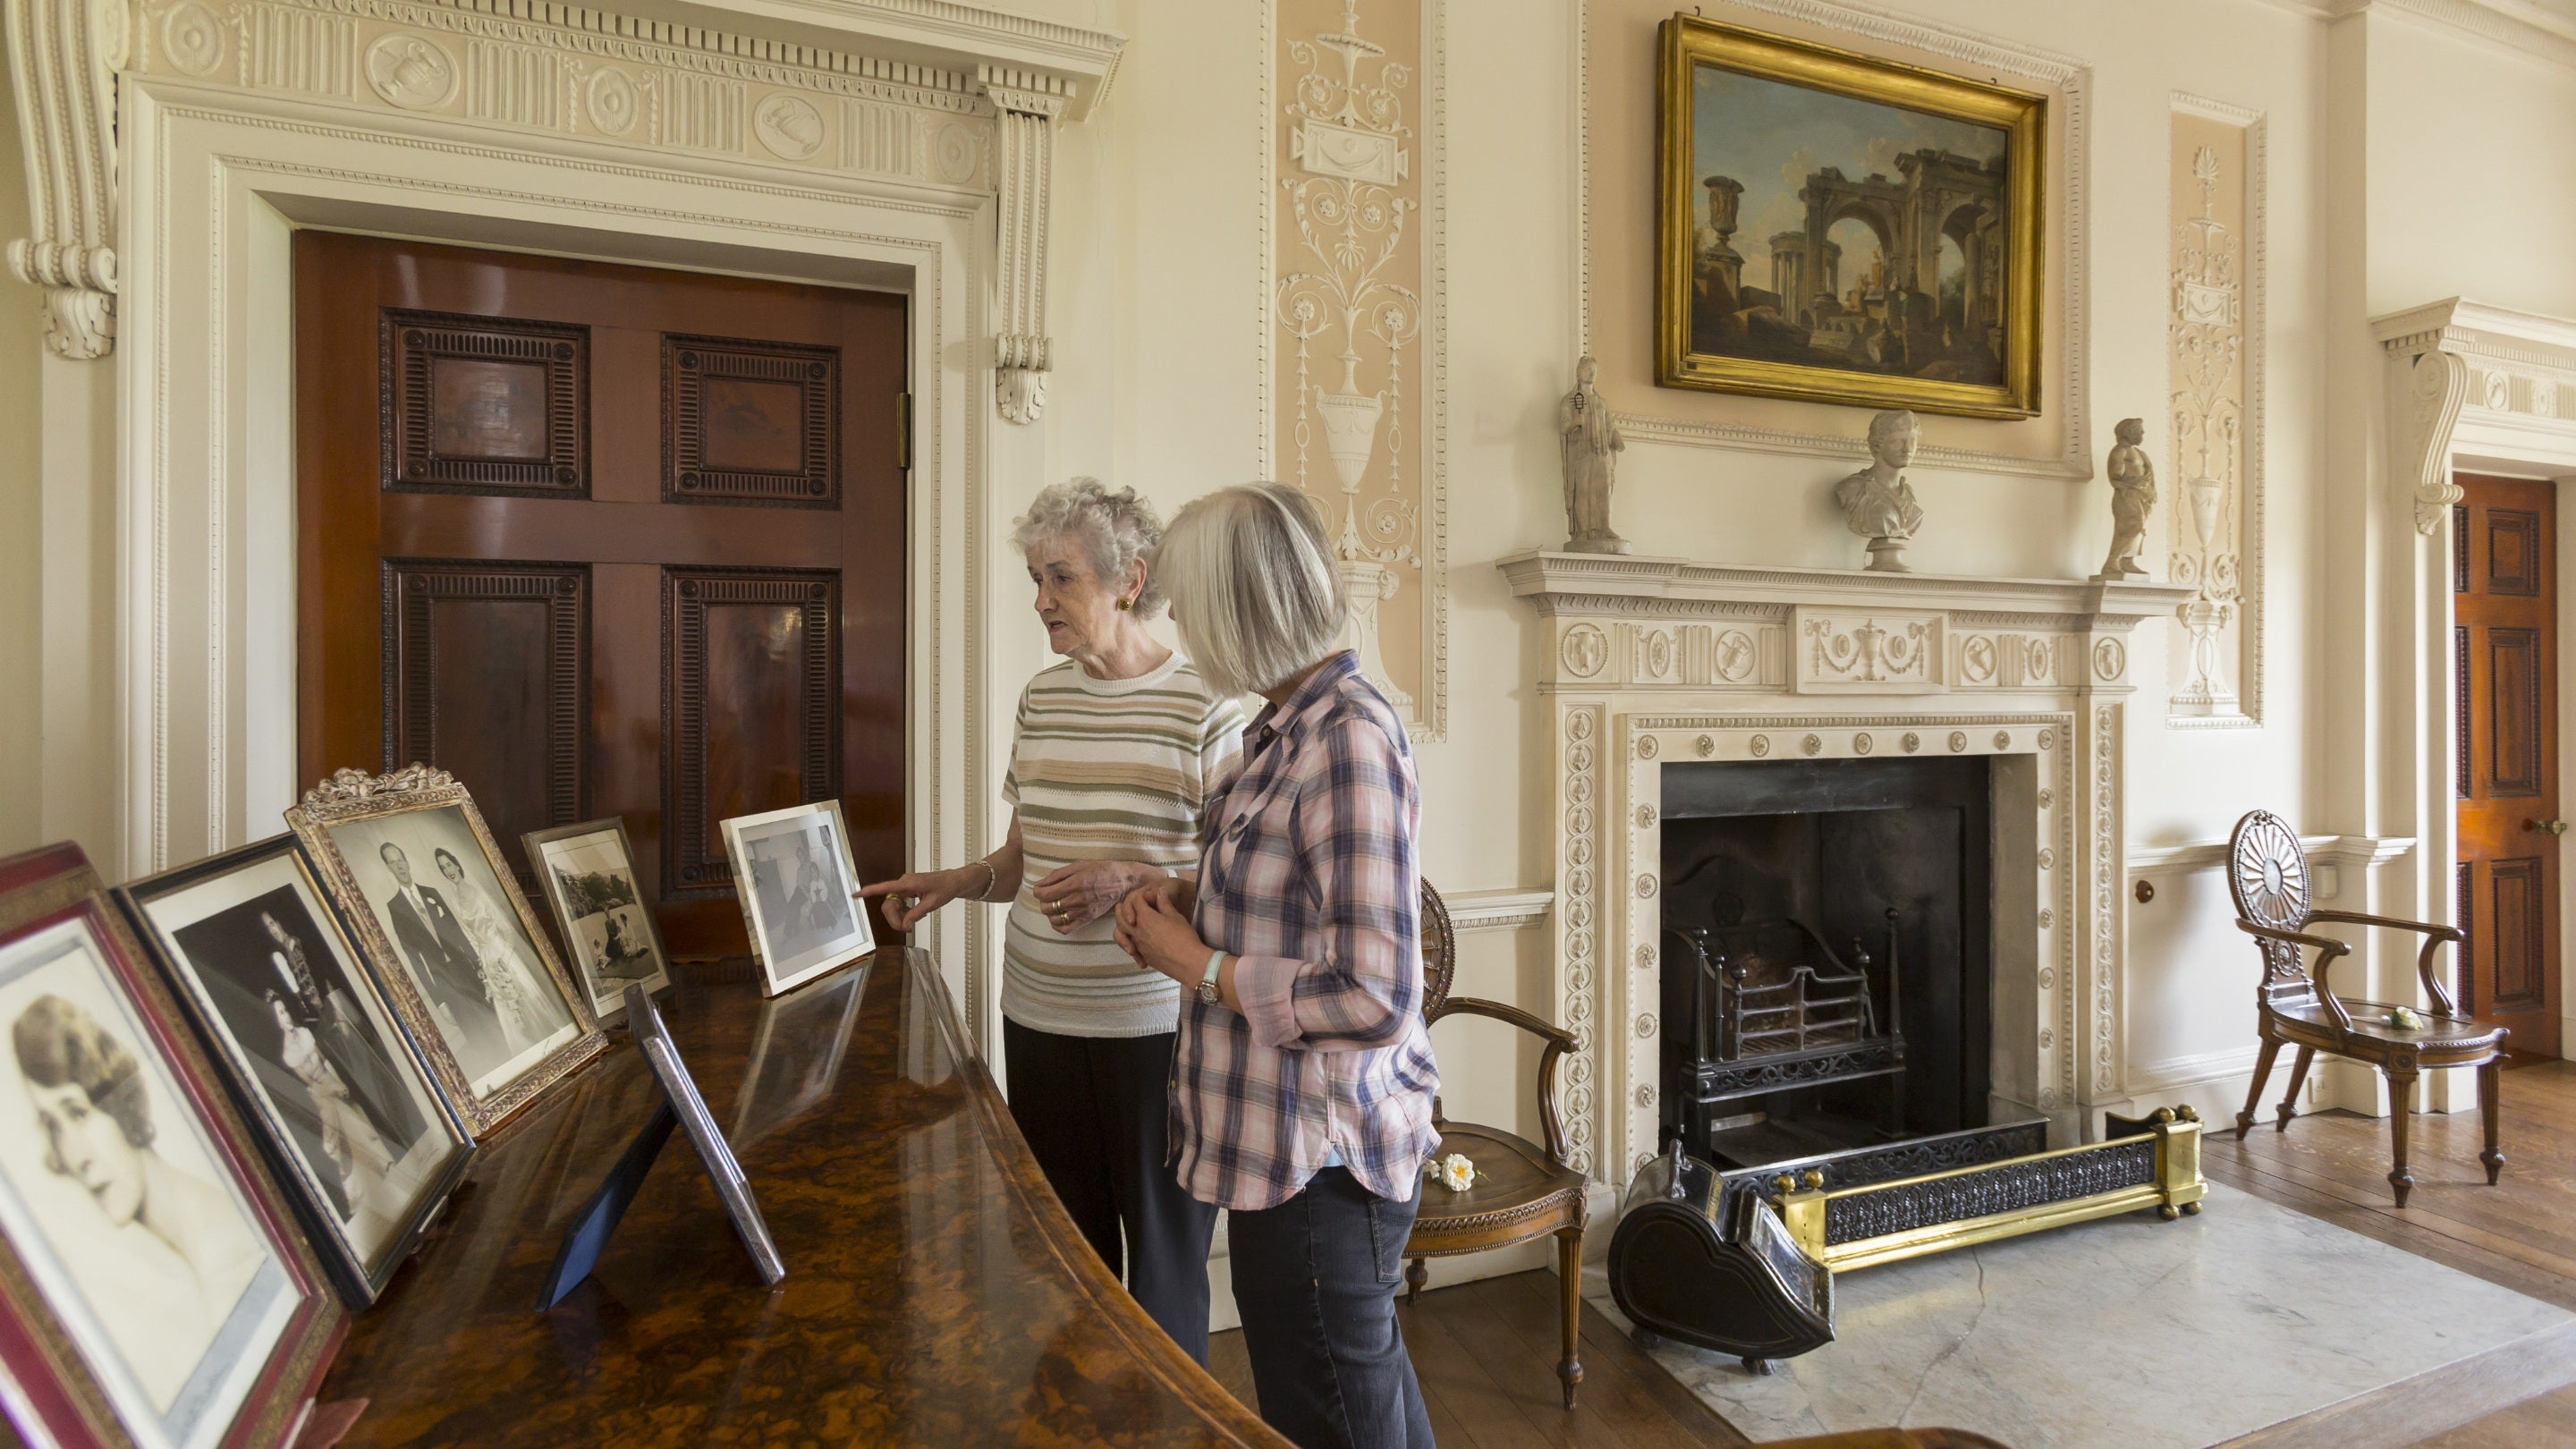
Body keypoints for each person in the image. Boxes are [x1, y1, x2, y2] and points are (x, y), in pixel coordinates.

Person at [861, 478, 1242, 1364]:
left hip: (1154, 1031)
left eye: (1060, 579)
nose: (1040, 602)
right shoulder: (1042, 700)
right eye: (1036, 579)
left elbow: (1232, 886)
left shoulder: (1207, 706)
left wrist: (1133, 878)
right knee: (1061, 1267)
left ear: (1131, 577)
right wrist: (963, 879)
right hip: (1036, 1019)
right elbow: (1020, 861)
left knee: (1162, 1272)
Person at [1114, 482, 1438, 1449]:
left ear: (1238, 609)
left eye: (1193, 610)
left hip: (1323, 1169)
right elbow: (1289, 881)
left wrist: (1201, 966)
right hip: (1288, 1160)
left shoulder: (1347, 738)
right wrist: (1174, 883)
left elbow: (1376, 994)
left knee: (1331, 1416)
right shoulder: (1282, 726)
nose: (1186, 634)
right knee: (1360, 1400)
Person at [13, 993, 266, 1411]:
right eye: (53, 1126)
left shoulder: (230, 1263)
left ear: (119, 1099)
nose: (74, 1156)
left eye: (77, 1113)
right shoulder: (197, 1257)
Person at [269, 992, 397, 1219]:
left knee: (356, 1120)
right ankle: (360, 1193)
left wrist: (338, 1084)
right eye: (280, 1013)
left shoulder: (305, 1033)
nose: (286, 1016)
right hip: (321, 1094)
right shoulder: (288, 1053)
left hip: (330, 1082)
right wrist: (331, 1089)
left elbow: (324, 1063)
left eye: (286, 1010)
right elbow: (310, 1083)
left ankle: (382, 1165)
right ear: (276, 1021)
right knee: (342, 1129)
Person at [434, 847, 565, 1055]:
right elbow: (469, 935)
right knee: (506, 1001)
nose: (447, 869)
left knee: (523, 992)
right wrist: (482, 963)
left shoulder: (477, 890)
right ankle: (528, 1048)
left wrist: (504, 956)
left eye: (449, 864)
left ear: (456, 863)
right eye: (442, 868)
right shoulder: (454, 901)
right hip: (486, 956)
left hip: (502, 949)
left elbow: (503, 926)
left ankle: (553, 1039)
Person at [376, 841, 501, 1058]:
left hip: (466, 970)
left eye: (401, 860)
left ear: (407, 861)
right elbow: (414, 959)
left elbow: (458, 934)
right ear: (388, 868)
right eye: (393, 863)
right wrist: (439, 1001)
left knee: (495, 1020)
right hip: (444, 981)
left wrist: (477, 964)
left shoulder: (431, 893)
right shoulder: (394, 907)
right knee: (477, 1037)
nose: (399, 866)